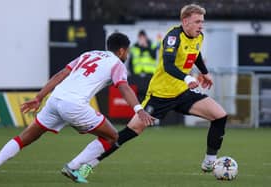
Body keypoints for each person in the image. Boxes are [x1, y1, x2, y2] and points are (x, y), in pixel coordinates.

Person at [76, 3, 228, 179]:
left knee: (220, 115)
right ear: (185, 21)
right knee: (129, 133)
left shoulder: (199, 36)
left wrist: (205, 72)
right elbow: (169, 65)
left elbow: (196, 53)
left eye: (202, 21)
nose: (201, 25)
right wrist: (188, 78)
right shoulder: (173, 37)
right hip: (160, 95)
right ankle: (86, 166)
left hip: (182, 93)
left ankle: (209, 161)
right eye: (197, 21)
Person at [0, 32, 154, 183]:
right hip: (74, 105)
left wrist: (39, 97)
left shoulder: (88, 54)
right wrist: (138, 109)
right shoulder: (117, 64)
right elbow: (123, 87)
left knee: (25, 137)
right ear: (121, 51)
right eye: (127, 51)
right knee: (112, 137)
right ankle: (73, 167)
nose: (127, 55)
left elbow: (61, 74)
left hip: (55, 99)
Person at [128, 30, 158, 102]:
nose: (141, 39)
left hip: (149, 76)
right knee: (138, 97)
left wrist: (145, 46)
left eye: (143, 37)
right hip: (138, 77)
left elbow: (154, 56)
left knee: (149, 97)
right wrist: (133, 74)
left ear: (146, 37)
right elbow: (130, 63)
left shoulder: (152, 45)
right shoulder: (134, 48)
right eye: (140, 38)